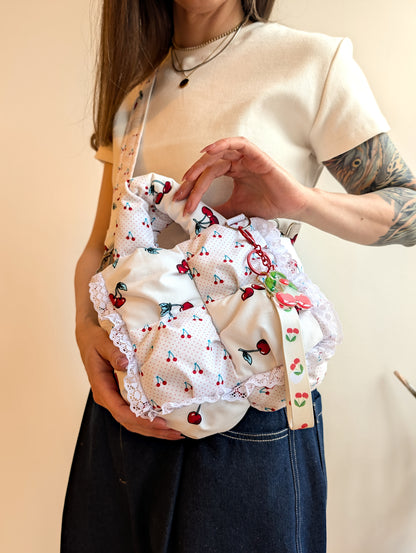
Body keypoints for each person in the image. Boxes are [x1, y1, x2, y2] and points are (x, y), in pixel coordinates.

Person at [61, 1, 416, 552]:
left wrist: (297, 201)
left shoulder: (311, 62)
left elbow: (409, 210)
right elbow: (100, 246)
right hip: (128, 411)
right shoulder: (135, 95)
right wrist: (87, 334)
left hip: (249, 415)